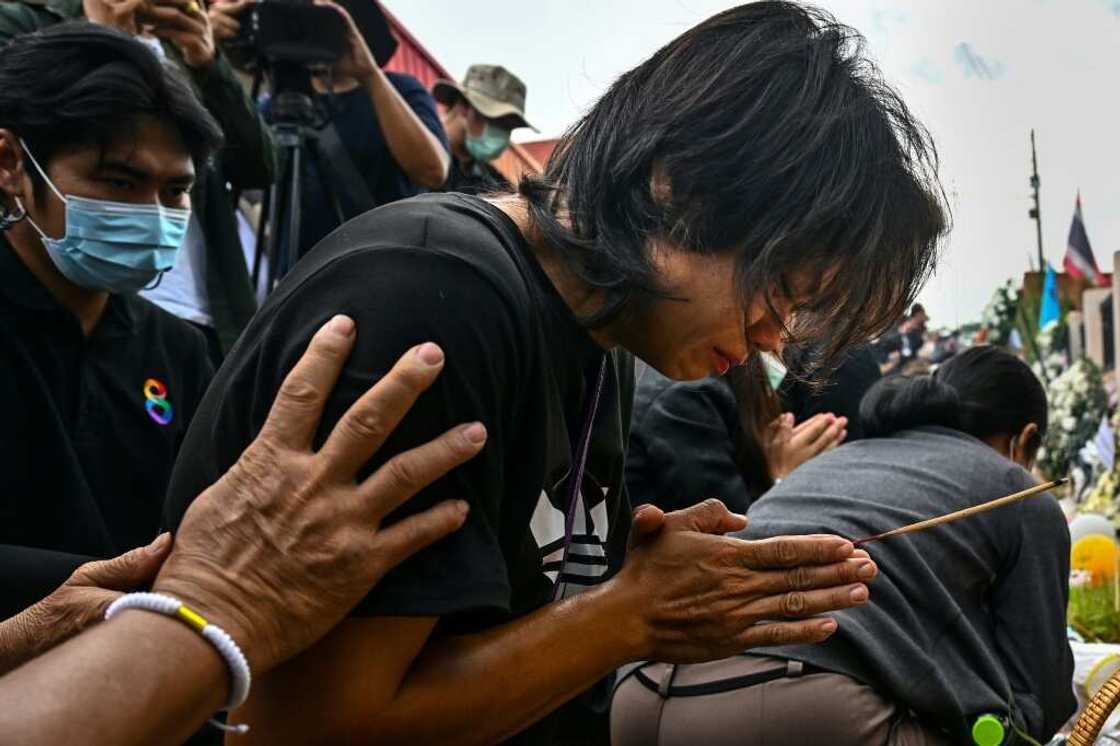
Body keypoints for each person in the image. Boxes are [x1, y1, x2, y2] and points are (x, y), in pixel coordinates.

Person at [163, 3, 947, 743]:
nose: (776, 341)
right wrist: (628, 615)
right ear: (677, 183)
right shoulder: (439, 301)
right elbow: (305, 725)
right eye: (782, 291)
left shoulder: (602, 338)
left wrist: (646, 598)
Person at [0, 316, 488, 746]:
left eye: (174, 201)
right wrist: (218, 600)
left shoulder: (178, 345)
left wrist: (27, 635)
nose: (160, 212)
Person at [611, 346, 1076, 745]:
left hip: (638, 692)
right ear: (1025, 440)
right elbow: (1042, 694)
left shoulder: (836, 461)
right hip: (798, 705)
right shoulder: (1017, 489)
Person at [0, 25, 229, 619]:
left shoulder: (180, 350)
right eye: (118, 182)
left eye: (175, 191)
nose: (150, 216)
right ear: (10, 165)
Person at [0, 0, 276, 363]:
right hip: (56, 313)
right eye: (120, 181)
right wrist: (106, 41)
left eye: (175, 191)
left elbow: (259, 168)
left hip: (197, 315)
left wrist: (209, 66)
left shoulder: (184, 49)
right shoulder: (23, 22)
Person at [237, 0, 450, 260]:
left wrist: (370, 75)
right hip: (303, 274)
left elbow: (433, 172)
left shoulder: (401, 89)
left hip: (382, 266)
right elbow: (237, 175)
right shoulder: (276, 105)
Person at [626, 344, 880, 514]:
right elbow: (730, 536)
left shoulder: (738, 386)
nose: (774, 336)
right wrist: (781, 478)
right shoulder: (688, 398)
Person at [434, 64, 537, 195]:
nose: (502, 136)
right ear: (464, 107)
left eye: (509, 127)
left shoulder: (491, 182)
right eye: (498, 122)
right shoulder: (416, 152)